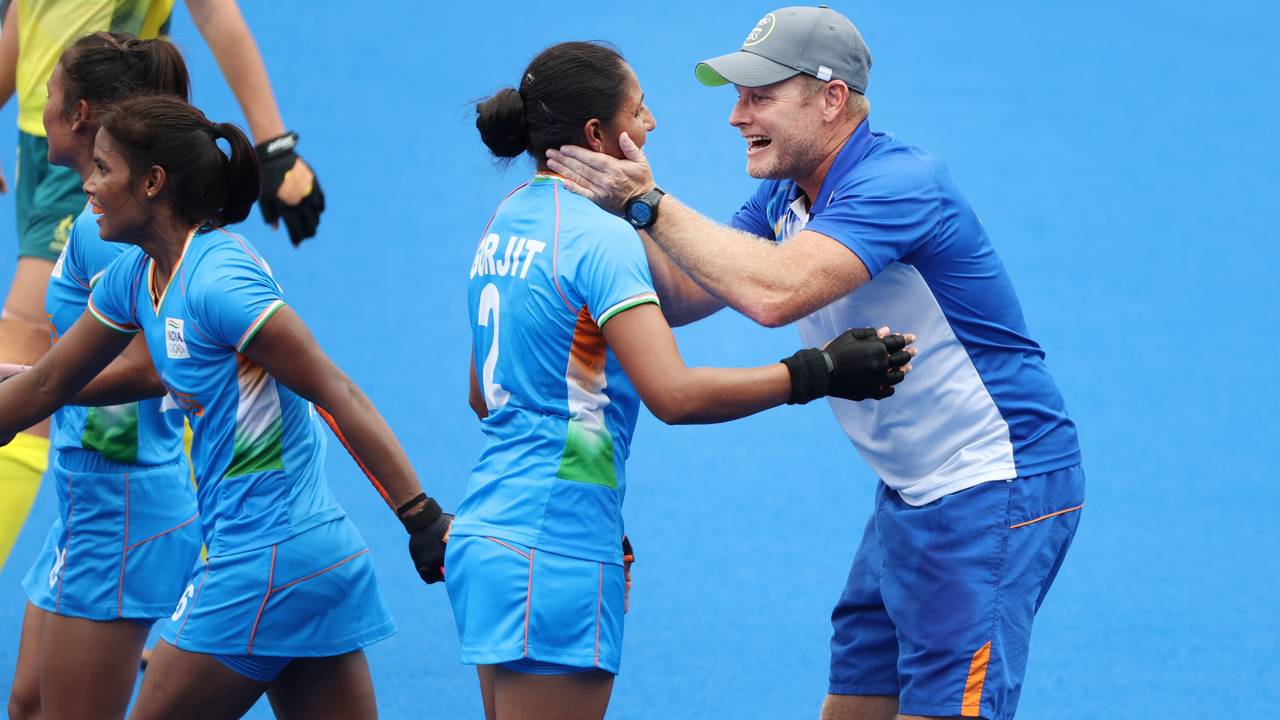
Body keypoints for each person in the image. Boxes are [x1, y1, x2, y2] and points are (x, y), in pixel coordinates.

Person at [546, 7, 1085, 720]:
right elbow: (679, 292)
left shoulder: (900, 183)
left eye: (759, 96)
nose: (736, 116)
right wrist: (591, 207)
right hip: (909, 493)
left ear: (832, 99)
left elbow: (773, 292)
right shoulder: (784, 194)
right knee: (854, 703)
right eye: (738, 96)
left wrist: (645, 201)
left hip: (994, 485)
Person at [455, 40, 915, 720]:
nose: (652, 125)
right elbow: (671, 395)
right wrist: (816, 372)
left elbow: (480, 393)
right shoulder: (600, 241)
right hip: (558, 544)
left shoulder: (509, 220)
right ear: (598, 136)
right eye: (639, 112)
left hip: (488, 532)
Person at [0, 95, 449, 720]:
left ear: (152, 183)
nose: (89, 186)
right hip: (304, 560)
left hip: (262, 560)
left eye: (103, 169)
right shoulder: (140, 274)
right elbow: (52, 383)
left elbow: (334, 391)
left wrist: (420, 514)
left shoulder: (219, 282)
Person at [0, 0, 327, 572]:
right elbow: (24, 18)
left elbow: (214, 12)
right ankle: (213, 559)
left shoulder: (106, 201)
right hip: (43, 130)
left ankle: (222, 558)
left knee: (41, 353)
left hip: (99, 130)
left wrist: (274, 146)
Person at [3, 32, 203, 720]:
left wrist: (37, 389)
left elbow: (155, 362)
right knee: (28, 705)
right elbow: (82, 352)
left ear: (81, 112)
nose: (39, 106)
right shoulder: (97, 212)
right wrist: (28, 376)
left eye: (49, 96)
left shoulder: (109, 225)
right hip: (89, 499)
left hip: (121, 502)